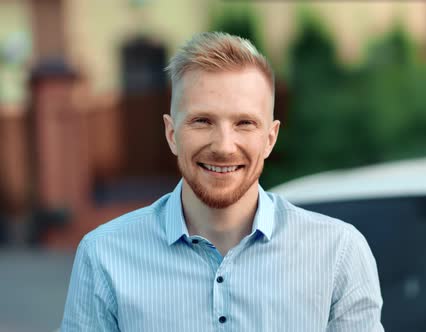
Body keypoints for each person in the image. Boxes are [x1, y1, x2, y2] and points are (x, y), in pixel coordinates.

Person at [61, 32, 383, 331]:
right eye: (202, 121)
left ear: (270, 138)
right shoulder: (104, 256)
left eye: (244, 123)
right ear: (172, 134)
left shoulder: (338, 253)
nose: (223, 146)